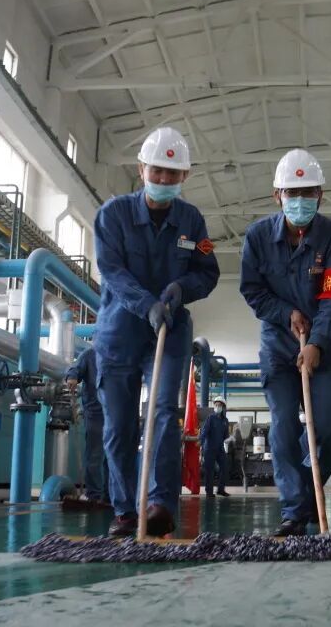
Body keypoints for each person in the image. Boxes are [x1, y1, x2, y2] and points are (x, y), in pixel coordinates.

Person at [93, 127, 220, 538]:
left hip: (171, 329)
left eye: (173, 173)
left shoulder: (192, 221)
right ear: (141, 169)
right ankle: (125, 511)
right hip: (119, 333)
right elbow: (111, 270)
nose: (164, 179)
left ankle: (160, 504)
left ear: (185, 176)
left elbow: (208, 271)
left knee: (164, 413)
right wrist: (145, 304)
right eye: (157, 171)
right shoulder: (112, 215)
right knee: (119, 426)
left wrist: (182, 288)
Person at [239, 149, 331, 536]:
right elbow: (252, 290)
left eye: (308, 192)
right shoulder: (257, 237)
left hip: (323, 346)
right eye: (292, 192)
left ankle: (306, 486)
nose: (300, 200)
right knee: (284, 424)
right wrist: (286, 313)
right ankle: (294, 510)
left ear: (320, 195)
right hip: (278, 346)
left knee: (330, 426)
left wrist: (316, 342)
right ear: (277, 195)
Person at [65, 345, 109, 503]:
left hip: (113, 412)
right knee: (95, 454)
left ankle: (110, 495)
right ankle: (94, 494)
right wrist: (72, 377)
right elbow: (74, 369)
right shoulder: (90, 354)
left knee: (112, 456)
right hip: (95, 413)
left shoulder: (117, 352)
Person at [200, 399, 231, 497]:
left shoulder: (225, 421)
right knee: (209, 470)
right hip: (209, 448)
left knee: (225, 467)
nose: (217, 407)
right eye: (216, 405)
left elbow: (226, 436)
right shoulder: (210, 418)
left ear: (223, 407)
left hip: (220, 448)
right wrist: (200, 441)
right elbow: (205, 431)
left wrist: (230, 439)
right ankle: (209, 492)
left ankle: (220, 489)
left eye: (219, 405)